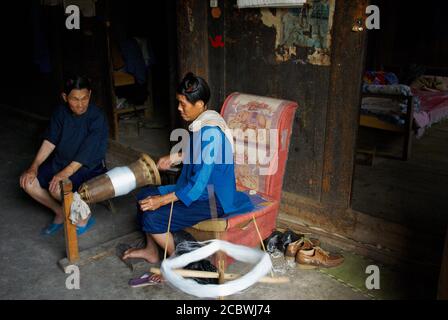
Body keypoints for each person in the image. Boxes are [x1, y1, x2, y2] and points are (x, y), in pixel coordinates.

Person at [122, 72, 254, 268]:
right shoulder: (206, 120)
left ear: (199, 104)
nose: (179, 108)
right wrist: (174, 157)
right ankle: (152, 252)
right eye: (179, 102)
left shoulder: (211, 132)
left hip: (212, 198)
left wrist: (162, 201)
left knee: (152, 216)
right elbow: (197, 152)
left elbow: (198, 186)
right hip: (199, 189)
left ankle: (181, 262)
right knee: (144, 196)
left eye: (183, 104)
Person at [19, 75, 109, 236]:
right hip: (61, 162)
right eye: (75, 99)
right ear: (65, 97)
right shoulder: (60, 113)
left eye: (84, 98)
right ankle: (60, 212)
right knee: (27, 182)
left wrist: (63, 175)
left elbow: (86, 152)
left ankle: (85, 217)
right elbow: (50, 141)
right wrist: (34, 166)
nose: (80, 104)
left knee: (57, 188)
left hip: (88, 167)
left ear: (89, 94)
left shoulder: (97, 117)